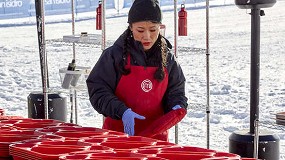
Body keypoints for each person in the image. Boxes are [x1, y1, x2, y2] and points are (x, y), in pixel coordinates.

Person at [86, 0, 188, 141]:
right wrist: (122, 111)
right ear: (131, 27)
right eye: (140, 30)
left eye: (153, 29)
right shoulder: (114, 55)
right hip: (117, 137)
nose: (147, 36)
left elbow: (176, 90)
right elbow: (98, 90)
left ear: (160, 27)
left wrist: (177, 105)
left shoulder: (168, 58)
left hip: (155, 140)